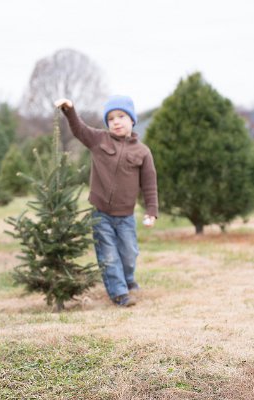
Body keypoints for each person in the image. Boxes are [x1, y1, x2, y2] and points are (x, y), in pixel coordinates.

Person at [55, 95, 158, 307]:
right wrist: (70, 110)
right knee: (109, 255)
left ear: (132, 120)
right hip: (101, 214)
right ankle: (119, 293)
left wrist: (151, 211)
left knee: (129, 254)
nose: (116, 122)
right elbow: (79, 129)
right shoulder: (99, 139)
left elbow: (149, 184)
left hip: (126, 216)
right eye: (111, 119)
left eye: (121, 116)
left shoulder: (142, 152)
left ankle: (128, 279)